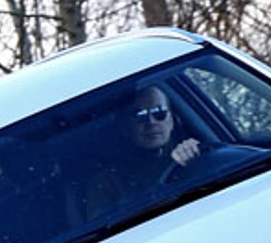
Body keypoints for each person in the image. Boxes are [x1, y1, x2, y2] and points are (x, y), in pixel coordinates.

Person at [78, 85, 203, 219]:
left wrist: (197, 161)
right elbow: (107, 227)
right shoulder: (105, 183)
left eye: (159, 112)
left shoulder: (193, 153)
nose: (151, 122)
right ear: (124, 127)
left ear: (171, 120)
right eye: (139, 116)